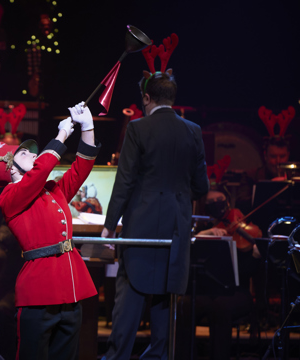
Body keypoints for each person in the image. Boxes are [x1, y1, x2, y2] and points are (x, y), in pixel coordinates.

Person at [101, 34, 209, 359]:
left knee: (128, 307)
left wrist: (109, 226)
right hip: (175, 229)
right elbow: (201, 187)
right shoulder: (194, 131)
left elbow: (125, 182)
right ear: (172, 98)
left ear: (147, 98)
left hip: (140, 232)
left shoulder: (137, 129)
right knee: (165, 306)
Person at [0, 102, 101, 359]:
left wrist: (87, 127)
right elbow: (41, 169)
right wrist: (61, 136)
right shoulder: (9, 197)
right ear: (10, 168)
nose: (34, 155)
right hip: (39, 293)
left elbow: (81, 168)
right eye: (24, 154)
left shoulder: (52, 189)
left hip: (70, 286)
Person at [176, 188, 261, 360]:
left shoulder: (243, 232)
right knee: (184, 304)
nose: (217, 205)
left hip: (237, 292)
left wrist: (255, 254)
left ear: (228, 202)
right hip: (207, 292)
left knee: (220, 307)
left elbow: (249, 271)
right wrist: (201, 236)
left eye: (220, 200)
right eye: (211, 202)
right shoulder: (205, 230)